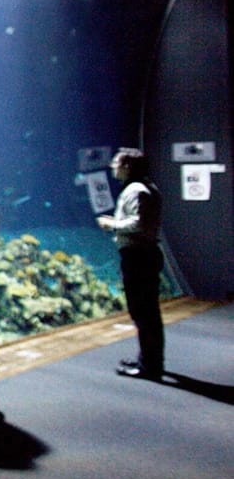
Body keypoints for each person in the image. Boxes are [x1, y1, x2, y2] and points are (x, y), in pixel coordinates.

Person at [97, 148, 165, 379]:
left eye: (116, 162)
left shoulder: (136, 190)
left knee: (143, 312)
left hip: (139, 256)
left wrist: (112, 224)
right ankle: (148, 360)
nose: (112, 166)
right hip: (145, 254)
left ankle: (149, 367)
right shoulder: (148, 188)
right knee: (148, 313)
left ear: (127, 166)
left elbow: (138, 223)